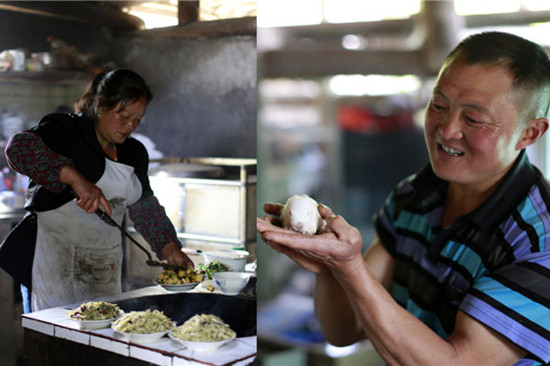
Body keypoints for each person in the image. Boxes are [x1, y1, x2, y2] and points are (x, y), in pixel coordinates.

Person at [257, 31, 550, 365]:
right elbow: (344, 330)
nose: (447, 129)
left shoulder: (540, 241)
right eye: (439, 105)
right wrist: (329, 270)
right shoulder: (415, 195)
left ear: (530, 133)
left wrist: (350, 267)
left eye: (473, 119)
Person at [0, 69, 192, 312]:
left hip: (103, 266)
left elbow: (144, 205)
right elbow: (18, 148)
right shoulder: (66, 132)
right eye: (124, 116)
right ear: (101, 104)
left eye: (137, 119)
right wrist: (73, 178)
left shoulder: (133, 153)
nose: (131, 125)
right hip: (53, 265)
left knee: (99, 335)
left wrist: (169, 247)